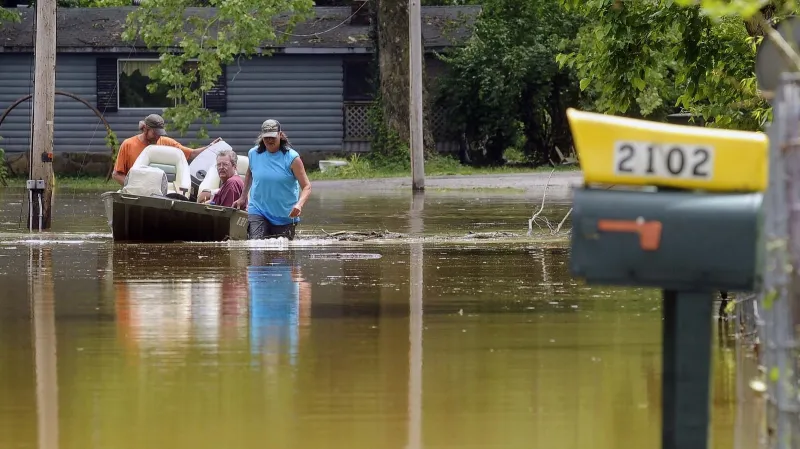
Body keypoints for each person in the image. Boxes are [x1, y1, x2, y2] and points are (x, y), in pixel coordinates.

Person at [232, 119, 311, 240]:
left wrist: (299, 205)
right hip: (258, 210)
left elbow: (307, 186)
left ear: (280, 134)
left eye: (273, 137)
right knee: (256, 247)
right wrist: (243, 197)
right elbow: (250, 173)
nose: (269, 140)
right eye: (266, 137)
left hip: (285, 215)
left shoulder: (292, 158)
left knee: (282, 254)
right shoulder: (253, 154)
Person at [112, 114, 221, 185]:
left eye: (160, 134)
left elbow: (191, 154)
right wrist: (131, 186)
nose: (157, 137)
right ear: (145, 129)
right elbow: (116, 174)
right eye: (155, 133)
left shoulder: (166, 142)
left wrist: (210, 147)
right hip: (135, 193)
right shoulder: (128, 144)